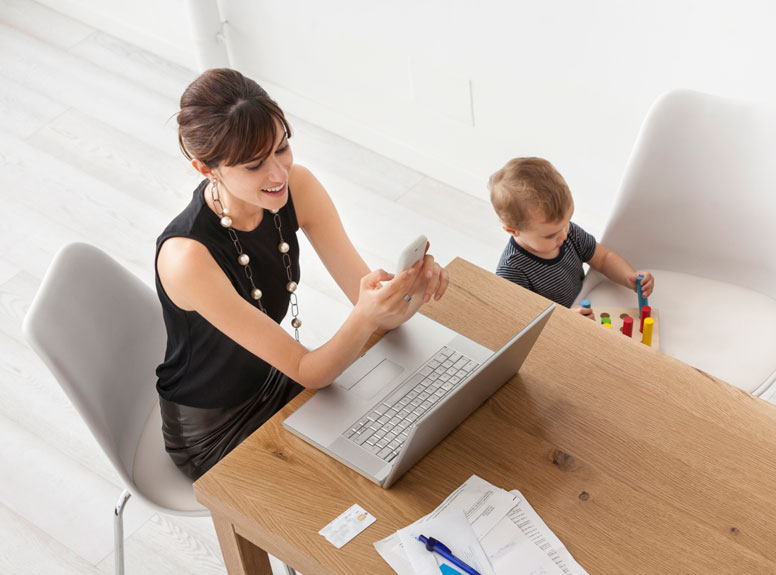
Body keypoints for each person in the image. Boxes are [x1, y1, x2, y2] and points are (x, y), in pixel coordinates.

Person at [155, 68, 448, 480]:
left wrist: (412, 285)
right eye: (255, 165)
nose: (278, 174)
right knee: (359, 484)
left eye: (282, 148)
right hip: (215, 429)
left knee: (408, 442)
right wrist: (365, 315)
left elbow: (379, 314)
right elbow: (311, 371)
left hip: (279, 379)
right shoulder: (187, 257)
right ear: (207, 169)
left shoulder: (299, 186)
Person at [488, 157, 653, 316]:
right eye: (550, 235)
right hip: (557, 328)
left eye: (567, 223)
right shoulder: (512, 271)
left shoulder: (568, 233)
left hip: (583, 300)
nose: (563, 235)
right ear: (513, 230)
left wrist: (629, 277)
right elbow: (525, 318)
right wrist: (567, 318)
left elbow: (603, 258)